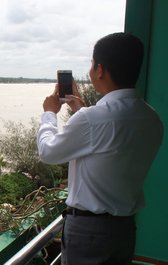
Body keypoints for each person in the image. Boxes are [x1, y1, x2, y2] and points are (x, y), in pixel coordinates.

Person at [37, 32, 164, 264]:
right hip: (125, 229)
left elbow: (48, 152)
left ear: (100, 70)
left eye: (92, 64)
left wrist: (48, 114)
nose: (91, 70)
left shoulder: (92, 120)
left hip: (89, 232)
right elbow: (111, 148)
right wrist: (81, 113)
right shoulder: (151, 118)